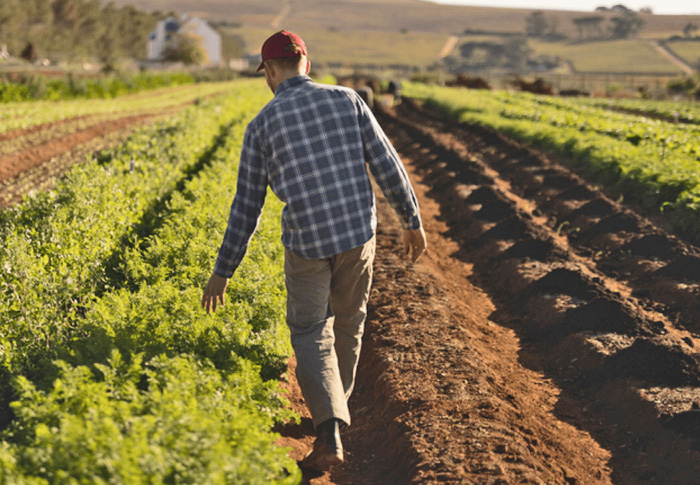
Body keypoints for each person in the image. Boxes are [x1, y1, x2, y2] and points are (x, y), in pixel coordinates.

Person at [201, 30, 426, 472]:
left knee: (309, 332)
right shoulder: (348, 100)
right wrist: (411, 219)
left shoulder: (261, 126)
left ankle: (329, 429)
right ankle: (336, 414)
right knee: (349, 322)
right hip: (357, 235)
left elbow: (246, 208)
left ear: (268, 70)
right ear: (306, 60)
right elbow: (386, 162)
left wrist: (222, 271)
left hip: (306, 242)